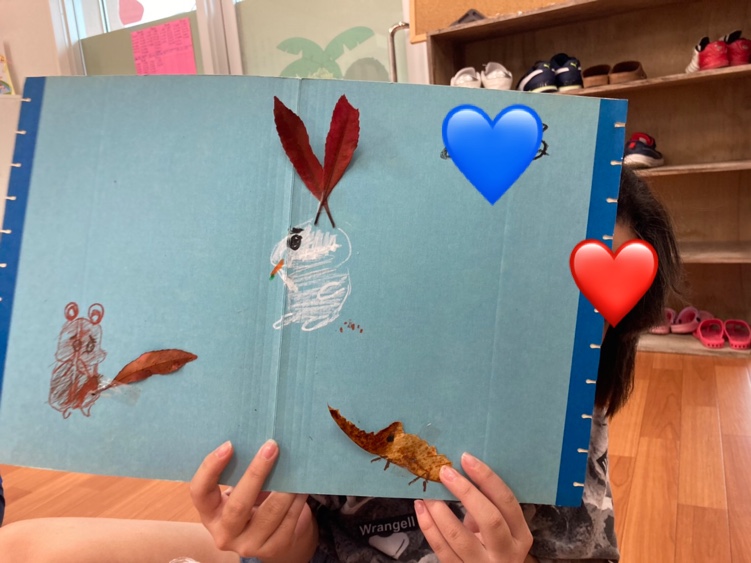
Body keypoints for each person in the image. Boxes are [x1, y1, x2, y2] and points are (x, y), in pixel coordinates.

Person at [0, 168, 682, 563]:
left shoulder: (562, 424)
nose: (552, 326)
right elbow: (296, 537)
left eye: (589, 306)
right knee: (25, 544)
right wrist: (282, 546)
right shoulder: (330, 359)